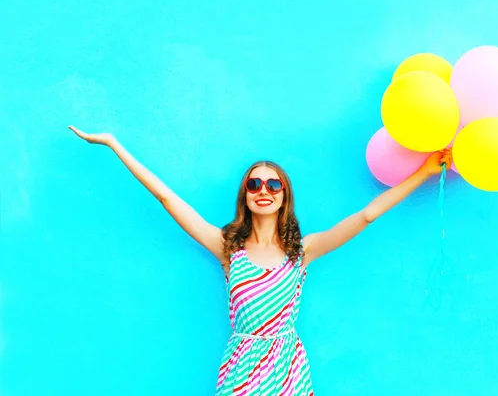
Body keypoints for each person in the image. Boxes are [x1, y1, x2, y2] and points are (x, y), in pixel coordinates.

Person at [68, 126, 452, 395]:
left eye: (273, 184)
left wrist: (422, 173)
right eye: (254, 184)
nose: (263, 190)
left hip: (288, 370)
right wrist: (115, 146)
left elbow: (366, 215)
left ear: (284, 196)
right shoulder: (226, 247)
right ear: (246, 196)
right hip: (241, 369)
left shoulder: (303, 251)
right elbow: (168, 199)